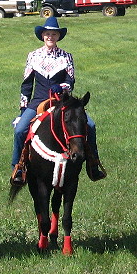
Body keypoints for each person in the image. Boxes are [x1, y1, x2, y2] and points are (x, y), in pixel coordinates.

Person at [10, 17, 106, 185]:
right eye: (47, 34)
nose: (50, 37)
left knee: (90, 125)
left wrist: (61, 87)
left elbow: (71, 82)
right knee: (20, 130)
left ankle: (93, 163)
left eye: (53, 34)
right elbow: (26, 85)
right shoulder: (32, 56)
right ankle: (18, 166)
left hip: (62, 101)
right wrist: (23, 109)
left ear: (58, 36)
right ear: (42, 36)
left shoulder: (66, 57)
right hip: (38, 101)